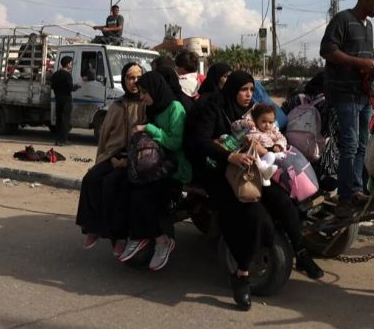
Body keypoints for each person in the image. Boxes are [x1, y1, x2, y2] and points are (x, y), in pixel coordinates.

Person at [184, 71, 323, 311]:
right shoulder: (213, 108)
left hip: (250, 168)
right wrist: (230, 155)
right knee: (254, 217)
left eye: (251, 89)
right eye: (243, 89)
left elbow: (269, 131)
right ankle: (242, 275)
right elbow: (200, 142)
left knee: (283, 201)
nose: (248, 94)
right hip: (218, 172)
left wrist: (268, 146)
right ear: (232, 90)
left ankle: (301, 253)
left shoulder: (251, 113)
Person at [319, 0, 374, 216]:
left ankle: (356, 190)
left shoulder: (368, 27)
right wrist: (360, 63)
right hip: (344, 94)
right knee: (349, 143)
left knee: (361, 144)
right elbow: (327, 50)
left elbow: (366, 56)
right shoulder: (342, 19)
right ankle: (346, 197)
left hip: (363, 94)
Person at [118, 71, 190, 271]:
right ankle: (140, 236)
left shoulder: (175, 108)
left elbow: (175, 143)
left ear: (155, 90)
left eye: (144, 92)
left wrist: (149, 129)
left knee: (144, 195)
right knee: (129, 188)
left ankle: (161, 241)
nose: (141, 97)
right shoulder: (154, 108)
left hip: (175, 167)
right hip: (158, 164)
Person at [76, 62, 146, 256]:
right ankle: (94, 228)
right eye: (130, 78)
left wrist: (129, 160)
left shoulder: (147, 104)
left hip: (135, 159)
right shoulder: (117, 105)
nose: (134, 82)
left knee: (111, 185)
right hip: (113, 156)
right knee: (90, 180)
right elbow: (105, 137)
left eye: (138, 78)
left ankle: (118, 236)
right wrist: (102, 160)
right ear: (124, 80)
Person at [241, 103, 286, 186]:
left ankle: (265, 173)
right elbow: (249, 140)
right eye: (264, 121)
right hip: (257, 159)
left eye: (270, 122)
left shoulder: (273, 130)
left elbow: (282, 138)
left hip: (271, 154)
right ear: (256, 120)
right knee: (270, 155)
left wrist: (278, 145)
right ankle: (263, 174)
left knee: (277, 155)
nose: (267, 125)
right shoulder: (253, 131)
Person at [51, 56, 80, 146]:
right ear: (68, 64)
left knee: (59, 120)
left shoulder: (55, 74)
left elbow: (52, 86)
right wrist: (77, 86)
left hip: (58, 99)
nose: (71, 65)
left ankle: (58, 140)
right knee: (65, 120)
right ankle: (63, 140)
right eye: (71, 63)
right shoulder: (67, 75)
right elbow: (70, 88)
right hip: (66, 100)